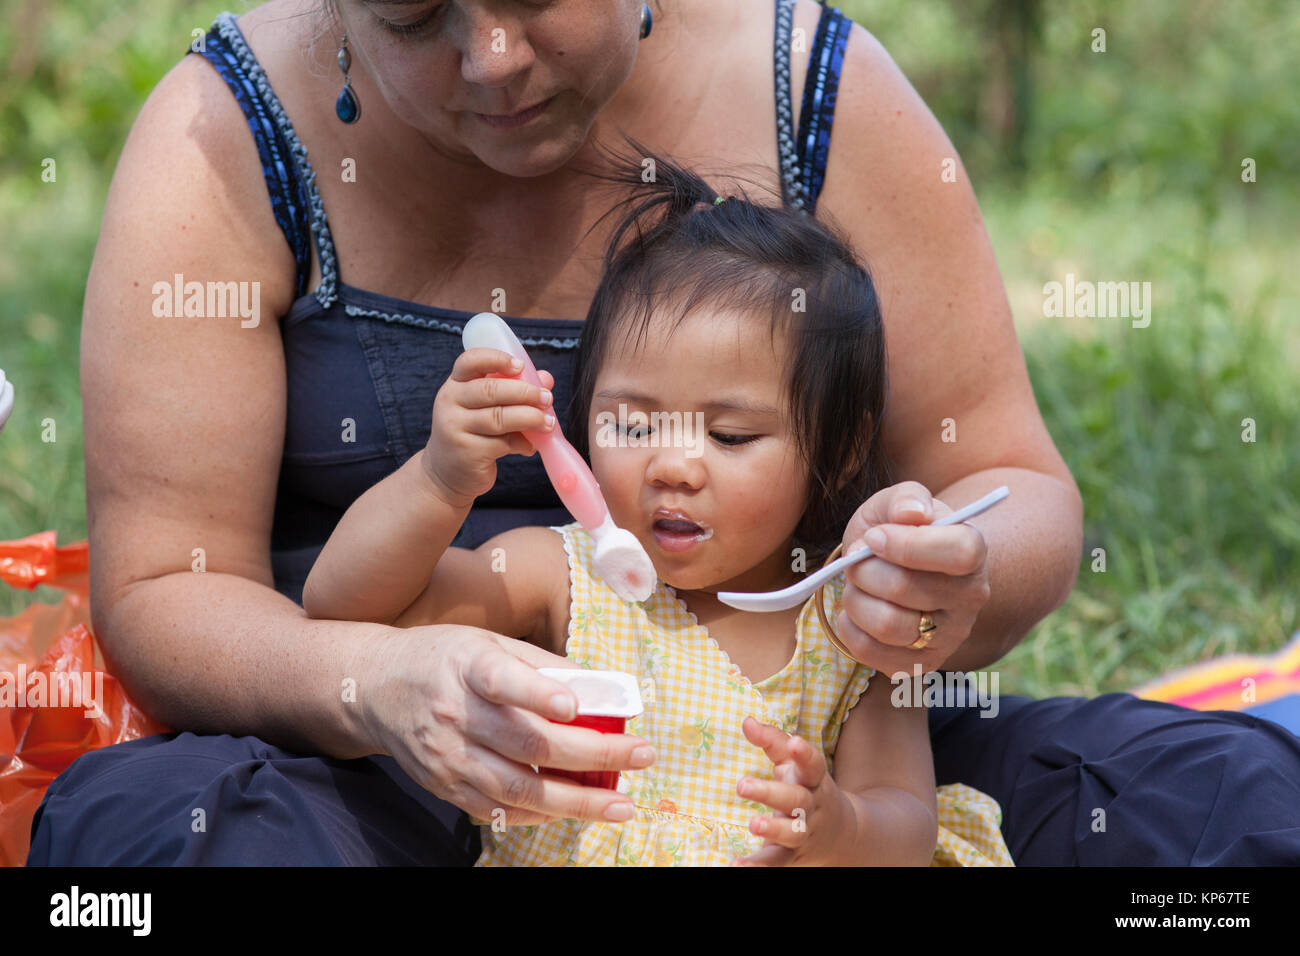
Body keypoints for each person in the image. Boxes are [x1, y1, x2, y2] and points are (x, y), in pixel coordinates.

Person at [26, 0, 1300, 866]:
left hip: (795, 785)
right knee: (165, 838)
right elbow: (168, 589)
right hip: (376, 783)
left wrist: (939, 586)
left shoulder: (817, 89)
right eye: (413, 17)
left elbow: (1008, 489)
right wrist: (381, 683)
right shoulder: (227, 136)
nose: (493, 58)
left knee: (1225, 806)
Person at [302, 146, 1014, 865]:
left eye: (730, 434)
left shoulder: (855, 626)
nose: (672, 465)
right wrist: (439, 479)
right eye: (634, 426)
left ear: (839, 447)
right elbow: (345, 606)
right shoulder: (566, 576)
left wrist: (838, 829)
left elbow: (906, 824)